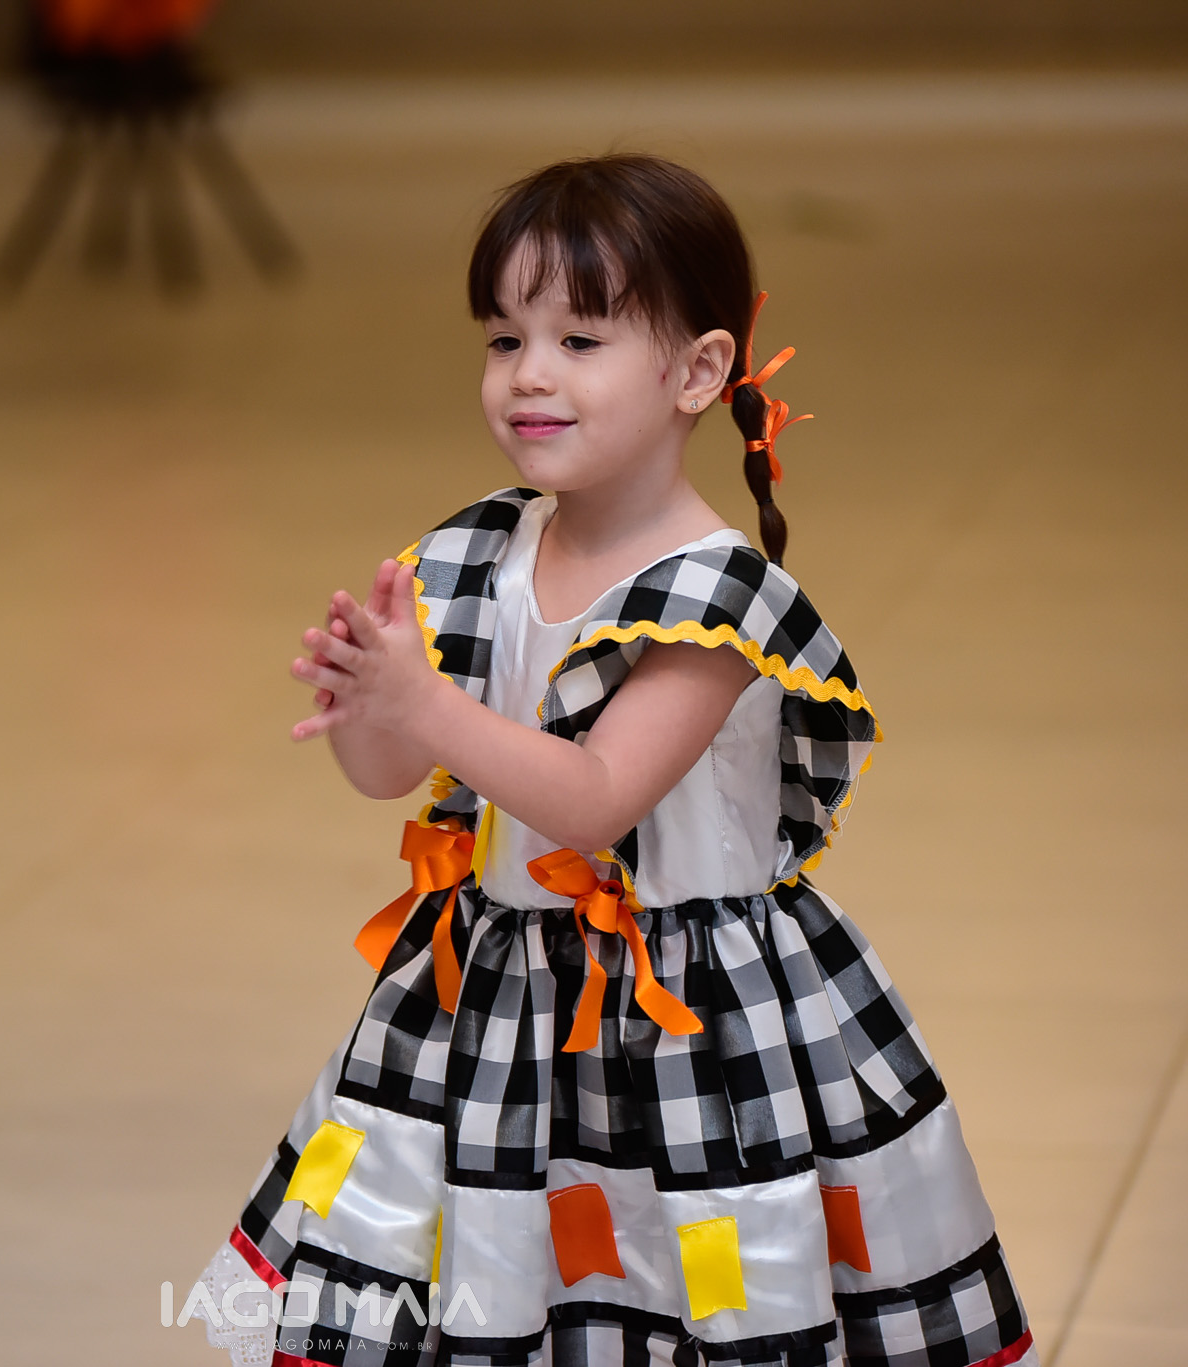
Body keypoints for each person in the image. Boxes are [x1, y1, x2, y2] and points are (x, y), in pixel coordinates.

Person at [190, 156, 1036, 1367]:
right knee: (500, 1269)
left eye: (578, 340)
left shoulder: (716, 599)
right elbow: (390, 775)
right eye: (503, 339)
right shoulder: (478, 553)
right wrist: (372, 702)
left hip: (689, 1023)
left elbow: (593, 799)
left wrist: (425, 703)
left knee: (684, 1275)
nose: (527, 373)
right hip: (498, 1001)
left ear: (696, 371)